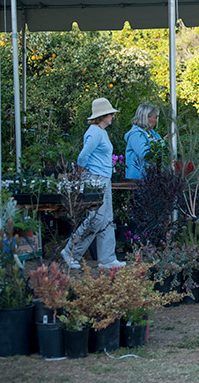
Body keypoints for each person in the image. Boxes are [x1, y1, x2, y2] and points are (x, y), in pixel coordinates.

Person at [61, 98, 126, 269]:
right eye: (110, 113)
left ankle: (107, 259)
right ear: (102, 115)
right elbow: (83, 156)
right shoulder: (95, 132)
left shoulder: (101, 132)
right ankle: (70, 252)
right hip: (95, 179)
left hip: (104, 179)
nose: (113, 116)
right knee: (95, 219)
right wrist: (80, 175)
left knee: (106, 219)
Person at [124, 104, 163, 180]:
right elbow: (145, 154)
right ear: (146, 117)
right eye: (155, 117)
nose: (156, 121)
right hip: (138, 178)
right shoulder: (135, 135)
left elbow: (163, 147)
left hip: (151, 176)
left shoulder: (152, 132)